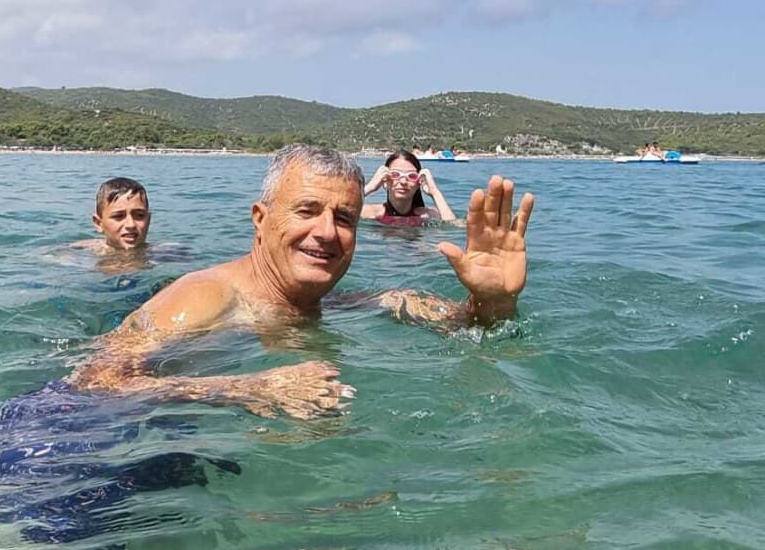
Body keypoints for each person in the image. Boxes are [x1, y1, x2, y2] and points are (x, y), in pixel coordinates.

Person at [67, 144, 534, 420]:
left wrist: (492, 301)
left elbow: (477, 333)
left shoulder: (337, 304)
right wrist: (248, 390)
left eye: (344, 218)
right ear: (261, 219)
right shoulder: (207, 295)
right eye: (307, 211)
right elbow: (93, 383)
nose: (327, 232)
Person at [361, 149, 457, 225]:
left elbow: (453, 227)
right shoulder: (370, 213)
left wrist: (435, 193)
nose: (403, 181)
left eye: (411, 176)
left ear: (418, 183)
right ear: (384, 181)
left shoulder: (428, 215)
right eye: (395, 174)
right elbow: (345, 209)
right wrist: (370, 187)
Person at [72, 177, 151, 254]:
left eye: (139, 215)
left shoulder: (160, 255)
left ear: (148, 220)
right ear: (99, 223)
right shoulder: (75, 253)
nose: (131, 224)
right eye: (119, 216)